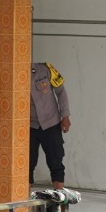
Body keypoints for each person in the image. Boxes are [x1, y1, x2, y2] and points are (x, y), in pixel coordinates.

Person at [29, 60, 71, 190]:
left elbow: (61, 92)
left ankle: (58, 204)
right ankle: (24, 205)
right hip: (30, 126)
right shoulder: (14, 75)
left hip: (51, 123)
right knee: (26, 165)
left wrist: (65, 116)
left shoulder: (46, 69)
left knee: (56, 160)